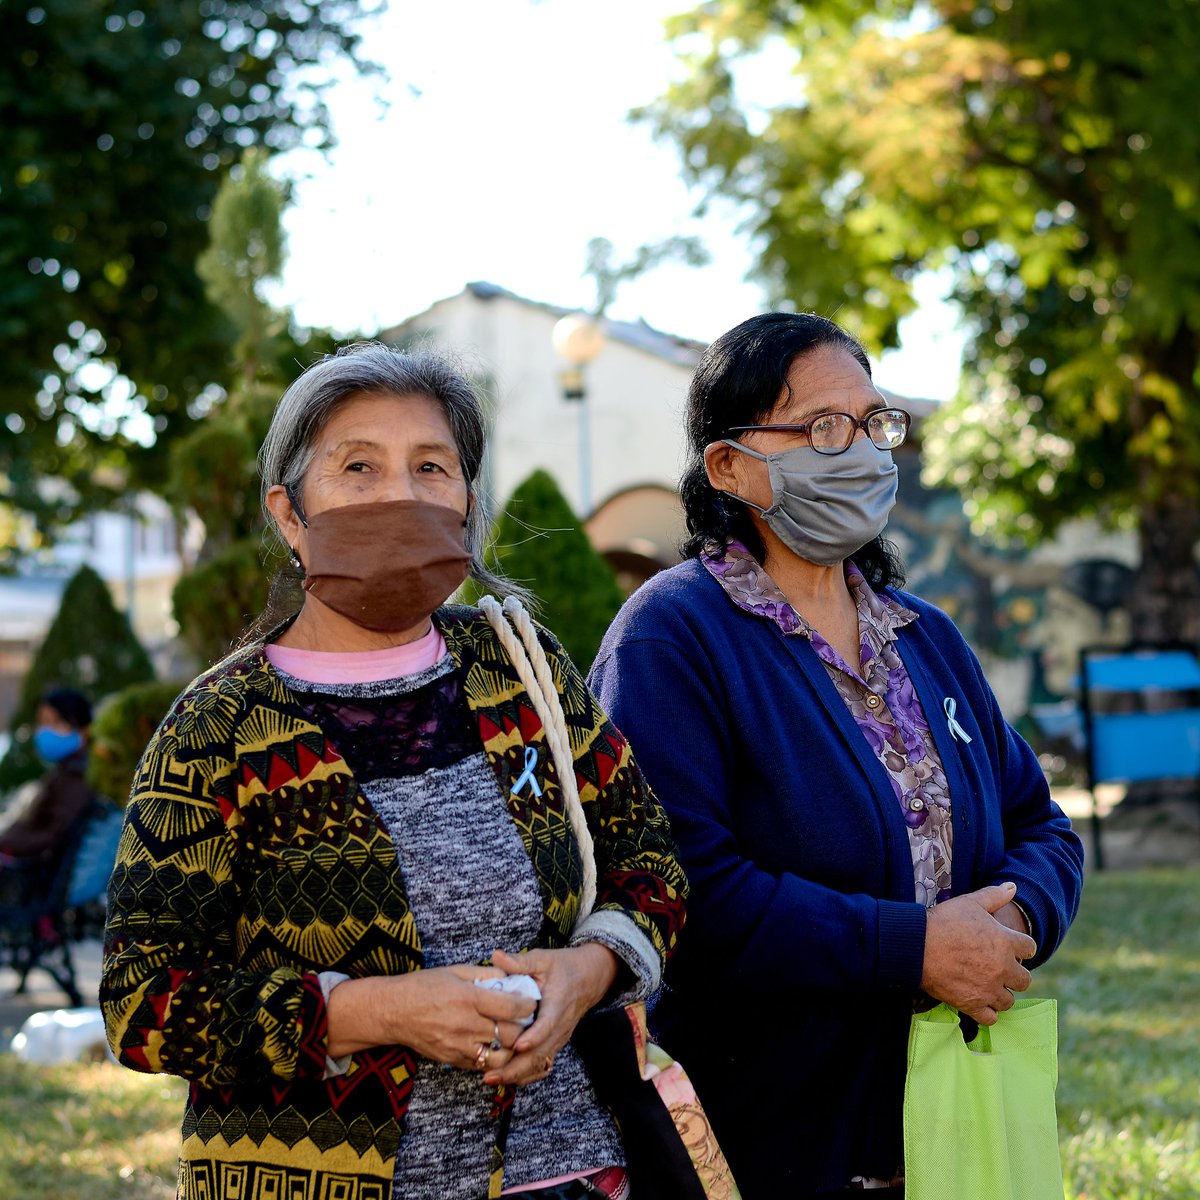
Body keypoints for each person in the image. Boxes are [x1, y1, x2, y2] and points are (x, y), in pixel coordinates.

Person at [101, 343, 687, 1200]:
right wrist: (376, 1012)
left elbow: (653, 862)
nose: (400, 496)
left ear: (466, 502)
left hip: (572, 1172)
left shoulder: (519, 668)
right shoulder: (219, 727)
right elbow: (143, 1000)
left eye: (430, 468)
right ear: (290, 513)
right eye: (358, 467)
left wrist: (587, 973)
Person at [588, 312, 1085, 1198]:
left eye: (872, 424)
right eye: (821, 428)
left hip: (952, 1114)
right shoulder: (671, 639)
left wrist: (1010, 927)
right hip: (774, 1132)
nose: (857, 450)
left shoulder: (924, 635)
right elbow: (684, 887)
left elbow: (1040, 823)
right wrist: (915, 949)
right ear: (730, 467)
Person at [0, 687, 94, 872]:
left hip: (33, 880)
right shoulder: (66, 772)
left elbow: (56, 836)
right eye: (42, 723)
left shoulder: (76, 777)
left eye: (54, 723)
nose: (43, 732)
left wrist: (7, 841)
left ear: (81, 729)